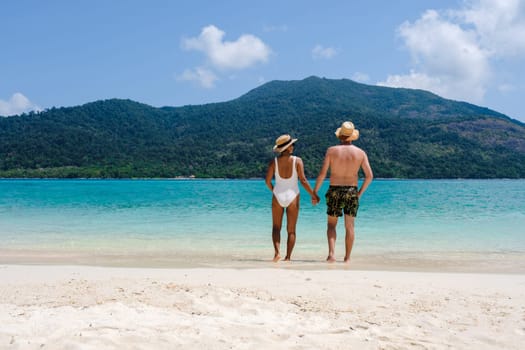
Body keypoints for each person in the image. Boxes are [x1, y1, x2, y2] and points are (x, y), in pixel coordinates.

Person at [313, 121, 373, 263]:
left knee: (331, 225)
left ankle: (332, 255)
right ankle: (347, 258)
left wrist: (315, 191)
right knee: (350, 226)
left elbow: (322, 174)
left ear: (340, 136)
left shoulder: (332, 151)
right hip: (352, 190)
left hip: (334, 189)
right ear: (352, 137)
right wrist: (359, 193)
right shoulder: (360, 153)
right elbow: (369, 176)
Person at [265, 134, 319, 262]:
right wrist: (313, 194)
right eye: (292, 145)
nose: (293, 147)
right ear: (288, 148)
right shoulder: (297, 161)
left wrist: (275, 191)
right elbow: (303, 180)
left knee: (276, 227)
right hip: (293, 195)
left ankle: (277, 253)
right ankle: (288, 257)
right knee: (291, 230)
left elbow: (267, 181)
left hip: (277, 195)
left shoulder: (274, 162)